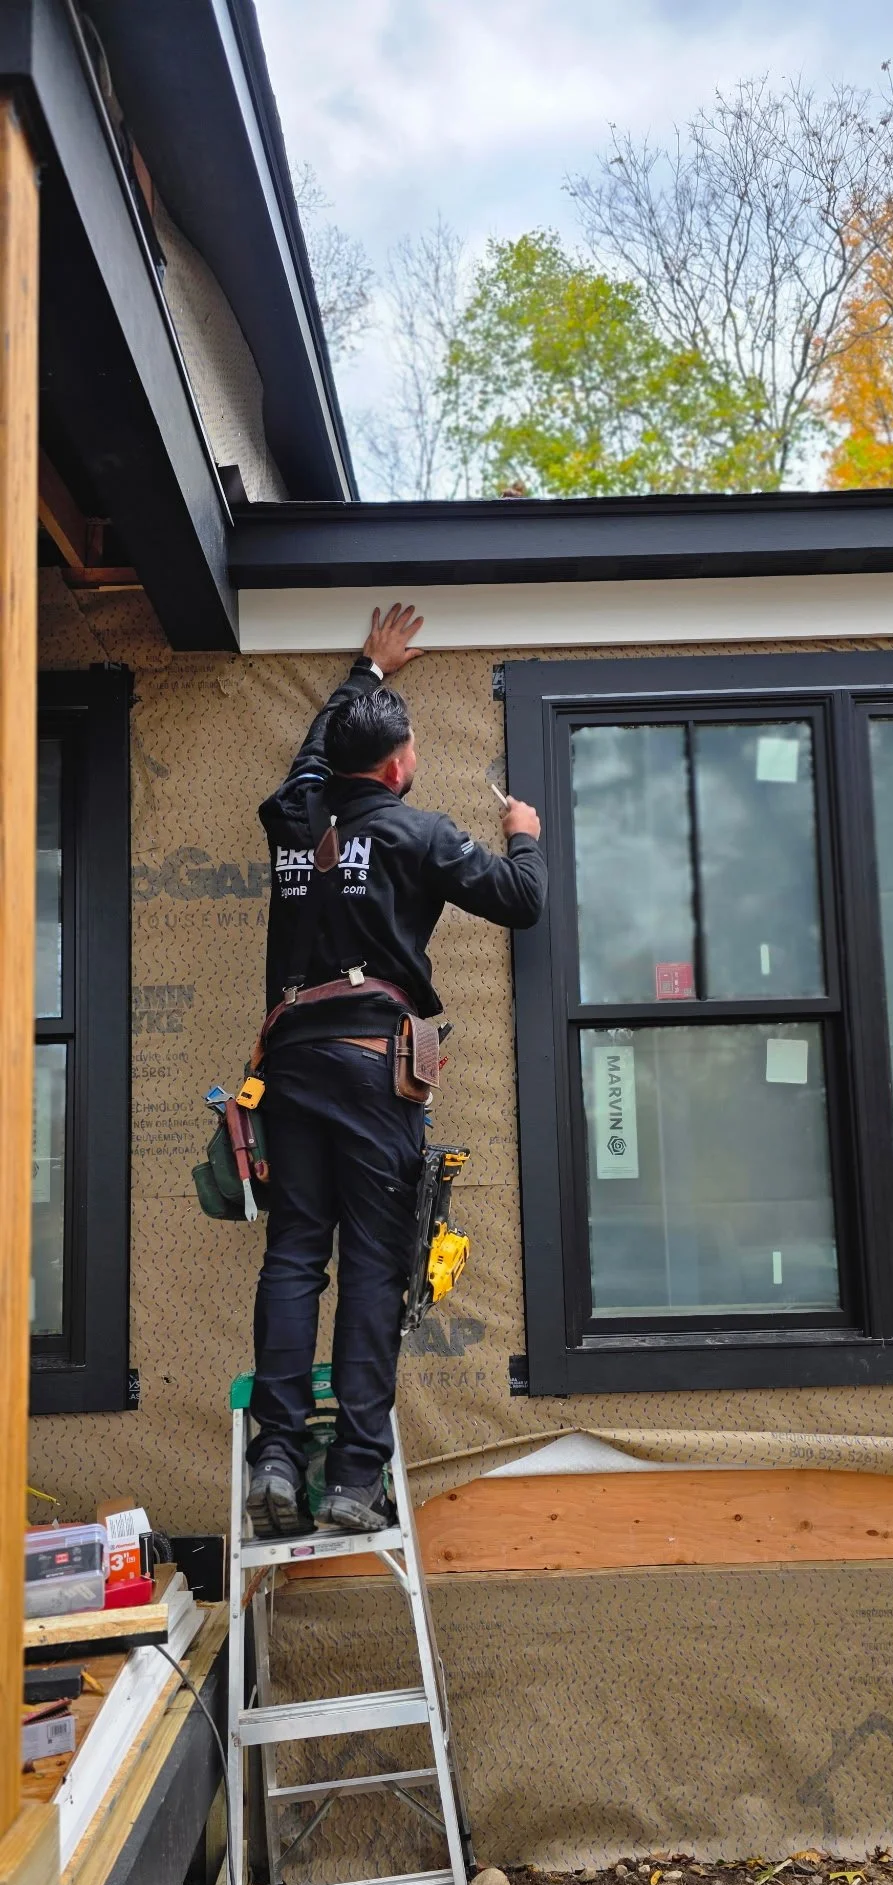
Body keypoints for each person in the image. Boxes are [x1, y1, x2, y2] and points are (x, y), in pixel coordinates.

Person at [247, 602, 546, 1538]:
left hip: (290, 1064)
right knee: (376, 1266)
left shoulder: (295, 816)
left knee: (297, 1253)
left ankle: (277, 1460)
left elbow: (311, 754)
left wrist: (366, 675)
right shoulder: (422, 835)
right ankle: (352, 1480)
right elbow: (522, 901)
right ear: (399, 765)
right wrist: (527, 830)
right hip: (377, 1070)